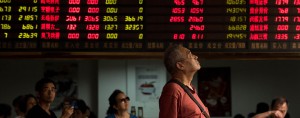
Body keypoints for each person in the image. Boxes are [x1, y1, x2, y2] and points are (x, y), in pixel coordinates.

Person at [159, 44, 210, 118]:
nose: (196, 57)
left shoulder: (191, 89)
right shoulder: (173, 89)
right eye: (190, 55)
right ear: (180, 65)